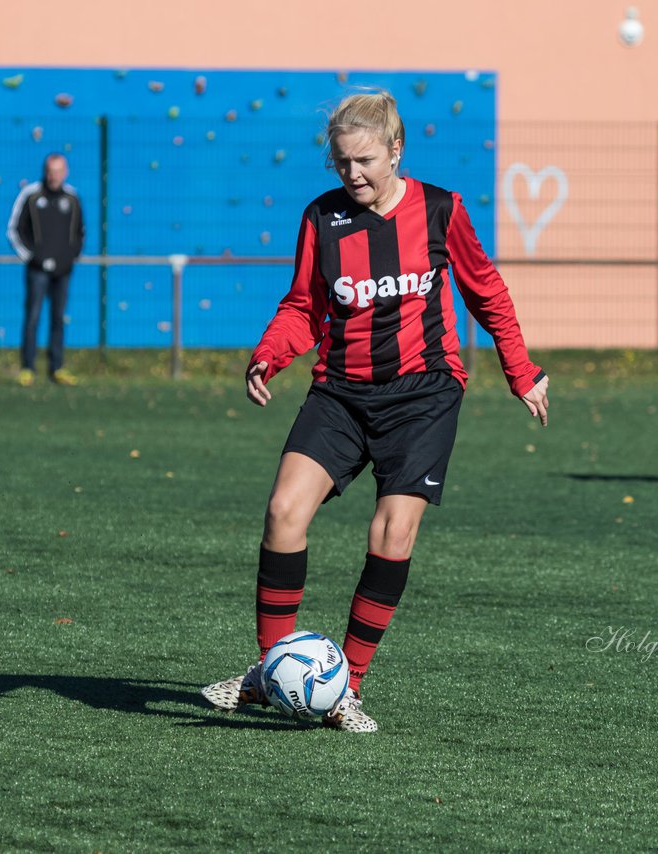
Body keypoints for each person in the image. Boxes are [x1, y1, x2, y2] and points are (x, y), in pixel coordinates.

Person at [201, 90, 550, 732]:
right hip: (340, 392)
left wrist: (520, 371)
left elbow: (487, 290)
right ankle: (269, 672)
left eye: (364, 161)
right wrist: (267, 356)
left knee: (391, 533)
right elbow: (303, 305)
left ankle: (346, 689)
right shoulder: (321, 218)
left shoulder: (441, 210)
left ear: (396, 150)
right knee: (283, 512)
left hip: (423, 395)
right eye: (341, 163)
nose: (352, 175)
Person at [7, 152, 84, 386]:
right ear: (45, 171)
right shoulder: (31, 195)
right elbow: (14, 230)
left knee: (58, 319)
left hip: (63, 270)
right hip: (37, 270)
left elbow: (80, 233)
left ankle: (56, 367)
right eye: (51, 171)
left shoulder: (72, 198)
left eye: (59, 171)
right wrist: (32, 258)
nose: (54, 176)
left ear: (66, 172)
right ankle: (28, 368)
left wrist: (70, 258)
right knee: (33, 317)